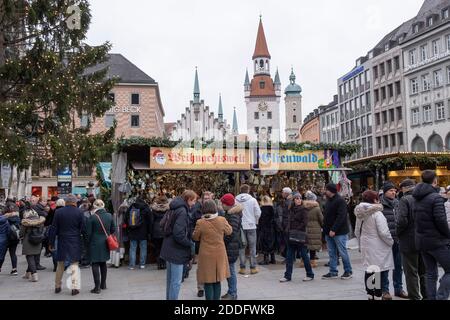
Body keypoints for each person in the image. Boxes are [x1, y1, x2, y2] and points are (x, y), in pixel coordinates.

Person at [413, 170, 450, 300]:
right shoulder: (435, 198)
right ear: (434, 181)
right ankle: (441, 297)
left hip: (422, 241)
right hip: (437, 241)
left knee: (431, 273)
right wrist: (448, 235)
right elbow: (441, 220)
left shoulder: (416, 197)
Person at [355, 190, 394, 300]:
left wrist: (360, 243)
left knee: (370, 268)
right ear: (374, 200)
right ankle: (377, 295)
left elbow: (357, 231)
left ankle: (370, 294)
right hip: (377, 245)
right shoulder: (377, 213)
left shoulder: (359, 213)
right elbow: (384, 232)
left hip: (365, 245)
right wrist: (390, 242)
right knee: (377, 269)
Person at [160, 190, 197, 300]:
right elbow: (178, 233)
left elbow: (163, 224)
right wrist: (189, 243)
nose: (194, 203)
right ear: (188, 199)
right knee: (176, 281)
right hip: (177, 250)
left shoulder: (174, 207)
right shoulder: (182, 211)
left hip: (168, 246)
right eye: (194, 201)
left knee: (170, 280)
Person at [192, 199, 232, 300]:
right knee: (217, 279)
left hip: (206, 254)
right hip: (219, 253)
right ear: (215, 208)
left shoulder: (200, 222)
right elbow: (229, 231)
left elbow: (195, 237)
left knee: (207, 280)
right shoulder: (222, 220)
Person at [396, 179, 427, 300]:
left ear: (404, 188)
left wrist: (398, 233)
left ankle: (414, 297)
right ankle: (428, 295)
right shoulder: (425, 198)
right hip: (424, 240)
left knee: (411, 272)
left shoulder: (405, 199)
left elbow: (402, 221)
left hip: (409, 241)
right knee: (424, 272)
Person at [49, 194, 85, 296]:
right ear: (74, 202)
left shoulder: (58, 212)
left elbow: (53, 228)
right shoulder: (79, 212)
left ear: (66, 202)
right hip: (74, 240)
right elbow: (83, 228)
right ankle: (74, 288)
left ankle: (57, 286)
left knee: (60, 264)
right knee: (74, 264)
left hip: (62, 240)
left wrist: (51, 242)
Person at [380, 181, 407, 299]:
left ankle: (398, 289)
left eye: (395, 191)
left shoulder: (398, 203)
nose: (394, 192)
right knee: (385, 267)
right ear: (385, 192)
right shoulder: (380, 205)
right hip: (385, 241)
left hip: (398, 239)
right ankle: (384, 290)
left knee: (398, 265)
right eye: (391, 190)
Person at [279, 193, 314, 282]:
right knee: (289, 256)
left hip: (300, 235)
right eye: (296, 198)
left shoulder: (304, 209)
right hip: (290, 236)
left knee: (304, 255)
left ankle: (310, 274)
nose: (298, 200)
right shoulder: (291, 209)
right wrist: (287, 230)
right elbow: (289, 221)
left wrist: (296, 230)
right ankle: (287, 276)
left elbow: (305, 222)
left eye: (300, 198)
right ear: (293, 200)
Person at [322, 183, 353, 280]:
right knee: (331, 252)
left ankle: (348, 271)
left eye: (326, 189)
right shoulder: (328, 200)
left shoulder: (340, 201)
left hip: (339, 232)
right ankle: (333, 271)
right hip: (328, 231)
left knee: (342, 251)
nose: (324, 191)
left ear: (330, 190)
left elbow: (341, 217)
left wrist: (334, 229)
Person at [86, 199, 116, 294]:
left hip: (94, 243)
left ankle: (97, 287)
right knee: (103, 263)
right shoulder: (109, 215)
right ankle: (103, 284)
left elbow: (88, 233)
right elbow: (113, 229)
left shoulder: (92, 217)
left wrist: (88, 243)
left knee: (95, 264)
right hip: (105, 243)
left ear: (94, 206)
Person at [220, 194, 243, 300]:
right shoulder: (230, 213)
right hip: (231, 245)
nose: (221, 205)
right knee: (230, 270)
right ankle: (231, 291)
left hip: (231, 246)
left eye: (223, 203)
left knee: (231, 270)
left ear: (227, 204)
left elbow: (231, 233)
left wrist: (223, 242)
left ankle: (233, 293)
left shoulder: (233, 215)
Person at [236, 184, 261, 275]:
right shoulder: (253, 200)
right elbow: (258, 212)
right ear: (248, 190)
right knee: (252, 247)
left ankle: (242, 268)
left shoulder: (236, 200)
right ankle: (253, 267)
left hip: (240, 225)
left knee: (241, 247)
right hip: (251, 225)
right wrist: (255, 221)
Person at [124, 197, 151, 270]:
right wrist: (149, 232)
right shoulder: (146, 208)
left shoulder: (131, 208)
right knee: (143, 248)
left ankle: (132, 265)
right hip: (143, 232)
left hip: (133, 231)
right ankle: (142, 264)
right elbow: (150, 221)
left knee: (132, 248)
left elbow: (125, 219)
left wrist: (129, 228)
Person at [20, 207, 46, 282]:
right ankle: (27, 273)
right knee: (33, 257)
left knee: (29, 257)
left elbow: (21, 233)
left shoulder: (25, 222)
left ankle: (34, 275)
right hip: (38, 241)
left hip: (28, 241)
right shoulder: (40, 221)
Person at [303, 191, 323, 268]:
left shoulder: (303, 207)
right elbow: (321, 219)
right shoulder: (317, 209)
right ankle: (312, 262)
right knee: (313, 247)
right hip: (315, 228)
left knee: (305, 246)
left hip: (305, 228)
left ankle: (303, 261)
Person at [0, 203, 21, 275]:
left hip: (5, 238)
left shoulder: (3, 218)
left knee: (2, 254)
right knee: (13, 253)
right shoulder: (17, 217)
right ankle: (14, 269)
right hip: (14, 238)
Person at [150, 195, 170, 270]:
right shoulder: (168, 209)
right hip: (164, 230)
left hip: (156, 230)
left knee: (157, 248)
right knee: (164, 248)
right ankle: (164, 263)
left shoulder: (154, 209)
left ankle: (159, 263)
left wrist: (151, 232)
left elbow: (151, 221)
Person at [257, 196, 276, 265]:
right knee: (271, 242)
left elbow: (260, 219)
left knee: (264, 243)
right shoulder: (272, 208)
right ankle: (273, 259)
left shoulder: (262, 209)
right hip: (271, 228)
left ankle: (266, 259)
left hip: (264, 228)